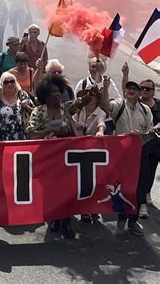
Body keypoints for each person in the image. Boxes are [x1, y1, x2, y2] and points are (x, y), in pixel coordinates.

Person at [27, 74, 91, 239]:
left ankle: (67, 220)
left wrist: (92, 92)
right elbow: (31, 136)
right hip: (47, 158)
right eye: (52, 91)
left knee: (67, 189)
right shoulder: (38, 112)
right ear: (45, 95)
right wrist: (50, 130)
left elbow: (81, 102)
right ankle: (54, 217)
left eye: (58, 91)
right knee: (50, 189)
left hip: (66, 158)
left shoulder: (66, 109)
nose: (56, 94)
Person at [101, 78, 153, 236]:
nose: (131, 91)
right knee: (122, 188)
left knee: (138, 189)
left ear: (139, 94)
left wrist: (141, 136)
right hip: (122, 155)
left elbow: (151, 133)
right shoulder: (119, 105)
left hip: (139, 154)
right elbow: (105, 106)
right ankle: (121, 220)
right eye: (128, 89)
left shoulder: (145, 110)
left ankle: (133, 221)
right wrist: (105, 88)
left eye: (134, 89)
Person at [137, 79, 160, 214]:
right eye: (142, 88)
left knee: (151, 171)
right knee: (140, 172)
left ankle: (146, 193)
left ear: (153, 91)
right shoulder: (136, 103)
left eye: (147, 89)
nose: (144, 91)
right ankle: (140, 201)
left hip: (155, 146)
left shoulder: (158, 104)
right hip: (140, 145)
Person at [0, 72, 34, 141]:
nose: (9, 84)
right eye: (6, 82)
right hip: (2, 137)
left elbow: (34, 112)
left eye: (12, 81)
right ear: (1, 84)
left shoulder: (22, 95)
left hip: (21, 136)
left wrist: (26, 107)